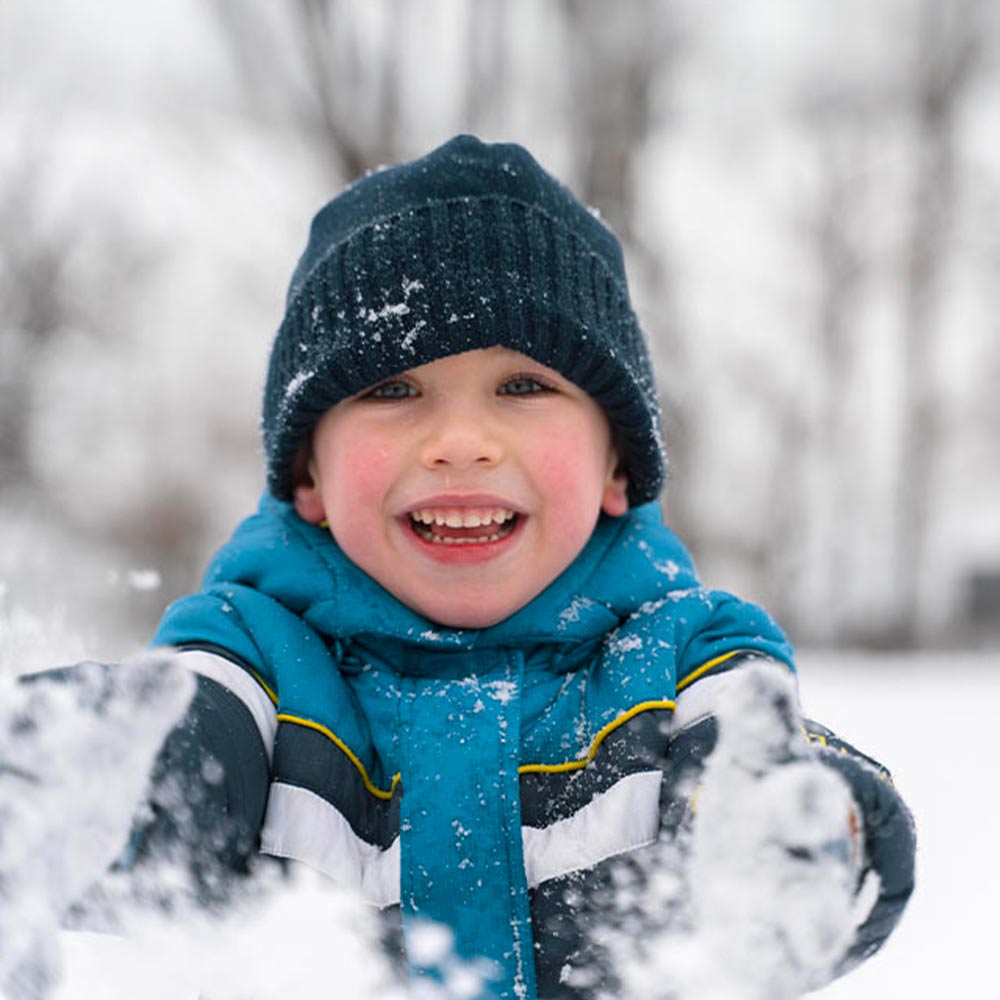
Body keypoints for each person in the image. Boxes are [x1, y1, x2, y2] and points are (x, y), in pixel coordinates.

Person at [7, 135, 915, 1000]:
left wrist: (796, 838)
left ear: (617, 467)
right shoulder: (254, 661)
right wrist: (55, 787)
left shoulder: (685, 660)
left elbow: (769, 778)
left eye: (524, 387)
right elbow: (168, 762)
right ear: (308, 474)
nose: (460, 442)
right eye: (392, 390)